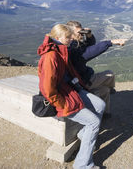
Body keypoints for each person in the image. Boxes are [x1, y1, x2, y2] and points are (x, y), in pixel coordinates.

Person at [37, 24, 105, 169]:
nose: (70, 39)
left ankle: (84, 135)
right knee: (93, 123)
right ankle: (83, 165)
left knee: (100, 105)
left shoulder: (61, 50)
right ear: (57, 38)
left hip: (70, 90)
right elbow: (47, 89)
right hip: (63, 98)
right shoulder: (51, 56)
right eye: (67, 37)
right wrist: (62, 105)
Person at [66, 20, 127, 118]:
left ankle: (105, 114)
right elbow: (90, 51)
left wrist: (89, 36)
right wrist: (110, 42)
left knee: (105, 90)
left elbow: (89, 45)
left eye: (82, 31)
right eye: (79, 32)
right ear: (70, 34)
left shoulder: (74, 43)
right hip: (81, 81)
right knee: (110, 75)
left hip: (80, 78)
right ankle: (111, 90)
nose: (81, 34)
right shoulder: (72, 48)